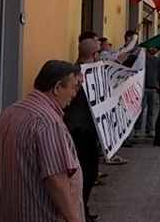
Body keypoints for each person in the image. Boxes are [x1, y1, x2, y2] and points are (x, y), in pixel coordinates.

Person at [0, 60, 84, 222]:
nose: (75, 94)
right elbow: (56, 180)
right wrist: (74, 219)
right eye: (73, 87)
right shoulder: (48, 123)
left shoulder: (10, 111)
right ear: (57, 88)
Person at [64, 38, 101, 222]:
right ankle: (79, 212)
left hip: (82, 128)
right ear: (94, 55)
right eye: (98, 53)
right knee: (86, 173)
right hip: (80, 130)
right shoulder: (79, 74)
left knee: (88, 172)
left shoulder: (77, 71)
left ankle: (82, 208)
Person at [134, 47, 160, 138]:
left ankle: (149, 129)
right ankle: (137, 130)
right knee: (140, 111)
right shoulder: (142, 60)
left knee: (151, 111)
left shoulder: (157, 60)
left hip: (153, 88)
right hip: (143, 87)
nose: (154, 50)